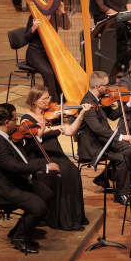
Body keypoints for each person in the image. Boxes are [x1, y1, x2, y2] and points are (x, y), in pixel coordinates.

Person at [0, 103, 58, 253]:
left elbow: (21, 155)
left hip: (15, 180)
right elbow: (15, 167)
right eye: (15, 119)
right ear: (7, 122)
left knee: (47, 194)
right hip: (6, 187)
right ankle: (20, 237)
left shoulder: (8, 136)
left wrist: (37, 136)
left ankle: (17, 232)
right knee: (39, 208)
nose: (18, 123)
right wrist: (44, 167)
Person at [21, 85, 90, 231]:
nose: (48, 102)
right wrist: (51, 128)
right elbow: (34, 136)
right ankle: (61, 219)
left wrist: (82, 114)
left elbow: (70, 131)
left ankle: (74, 216)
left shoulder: (53, 114)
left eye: (49, 98)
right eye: (44, 99)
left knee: (73, 172)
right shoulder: (26, 119)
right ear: (34, 101)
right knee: (61, 175)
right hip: (39, 154)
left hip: (56, 152)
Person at [77, 71, 131, 204]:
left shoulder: (102, 99)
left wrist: (129, 103)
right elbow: (97, 129)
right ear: (98, 86)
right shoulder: (87, 103)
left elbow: (113, 115)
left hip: (104, 140)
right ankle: (121, 194)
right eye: (106, 85)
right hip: (93, 145)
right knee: (122, 158)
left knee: (130, 150)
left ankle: (108, 178)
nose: (109, 88)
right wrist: (121, 136)